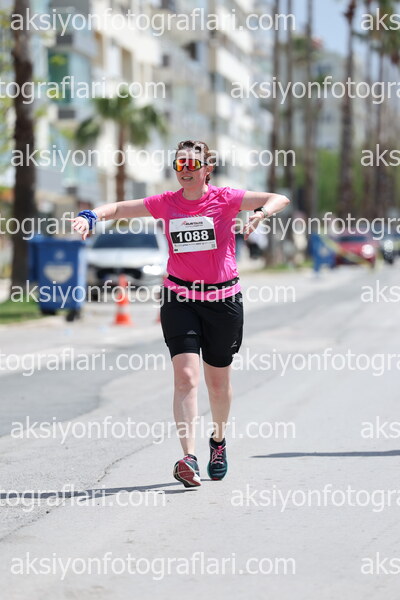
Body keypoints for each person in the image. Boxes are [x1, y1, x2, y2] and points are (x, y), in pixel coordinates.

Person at [71, 140, 290, 488]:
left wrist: (260, 214)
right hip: (179, 298)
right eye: (179, 164)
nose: (185, 169)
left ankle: (218, 440)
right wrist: (90, 216)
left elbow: (278, 198)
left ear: (207, 169)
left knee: (218, 384)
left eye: (192, 163)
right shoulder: (166, 203)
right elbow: (119, 208)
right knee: (186, 377)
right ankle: (189, 457)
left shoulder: (226, 198)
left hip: (223, 301)